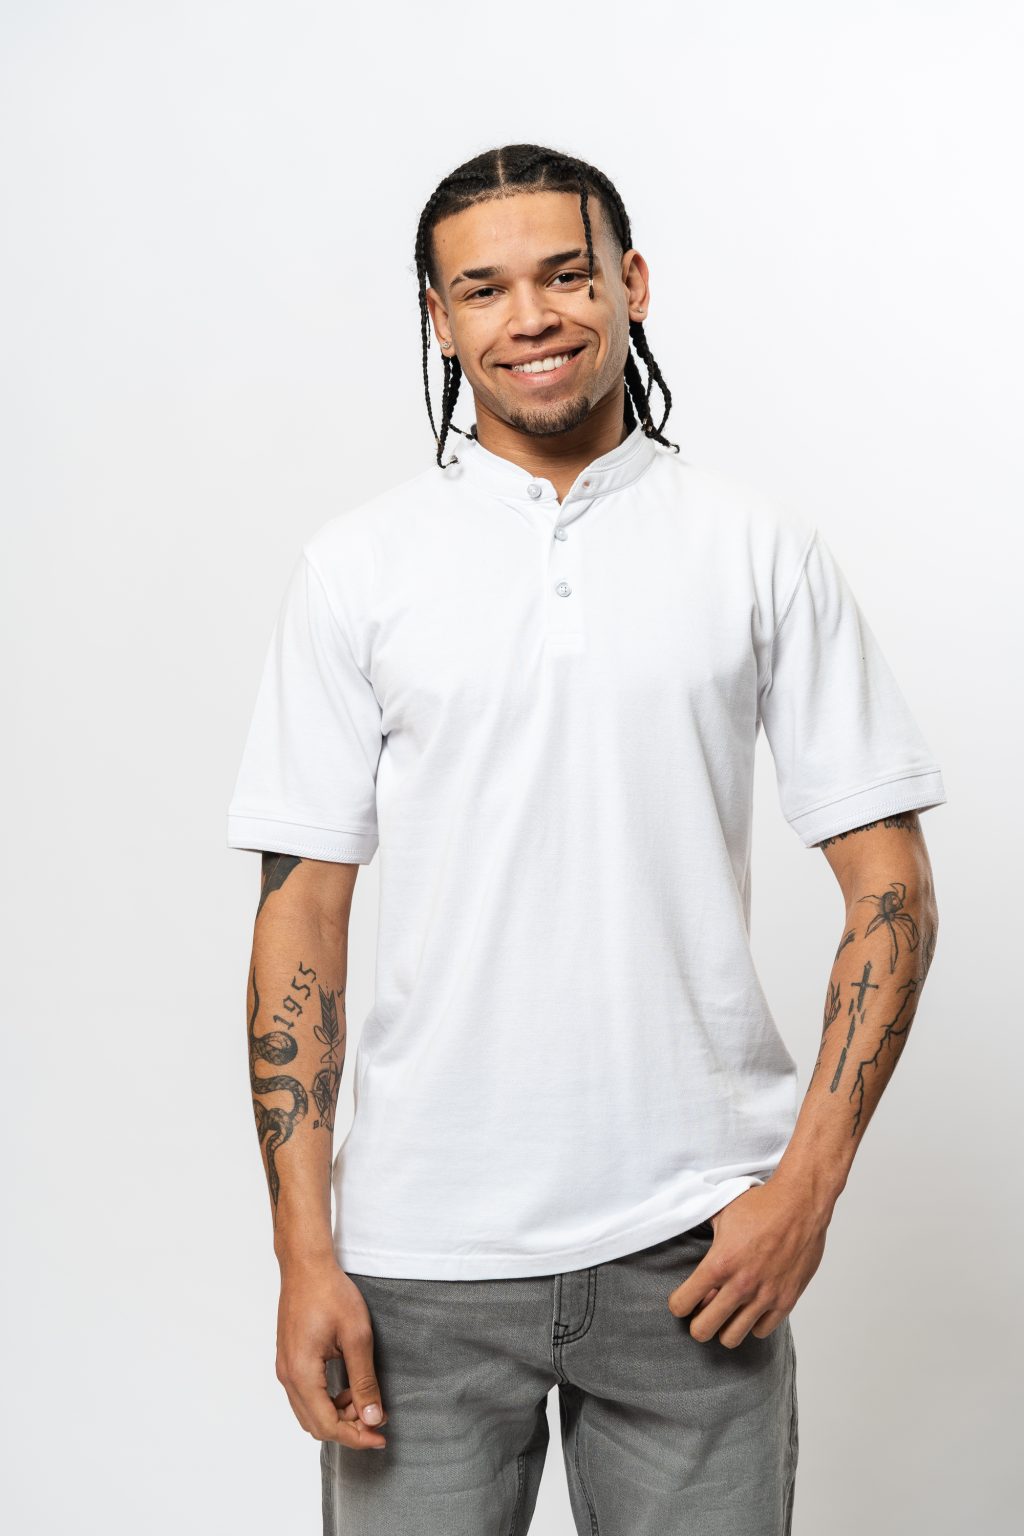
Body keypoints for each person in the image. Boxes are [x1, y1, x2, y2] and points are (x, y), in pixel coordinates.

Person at [227, 143, 946, 1535]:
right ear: (440, 320)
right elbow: (300, 916)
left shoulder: (757, 548)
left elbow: (891, 887)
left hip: (697, 1254)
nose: (532, 317)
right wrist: (303, 1252)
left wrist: (806, 1188)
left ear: (632, 284)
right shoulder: (358, 568)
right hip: (419, 1262)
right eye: (483, 290)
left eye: (566, 274)